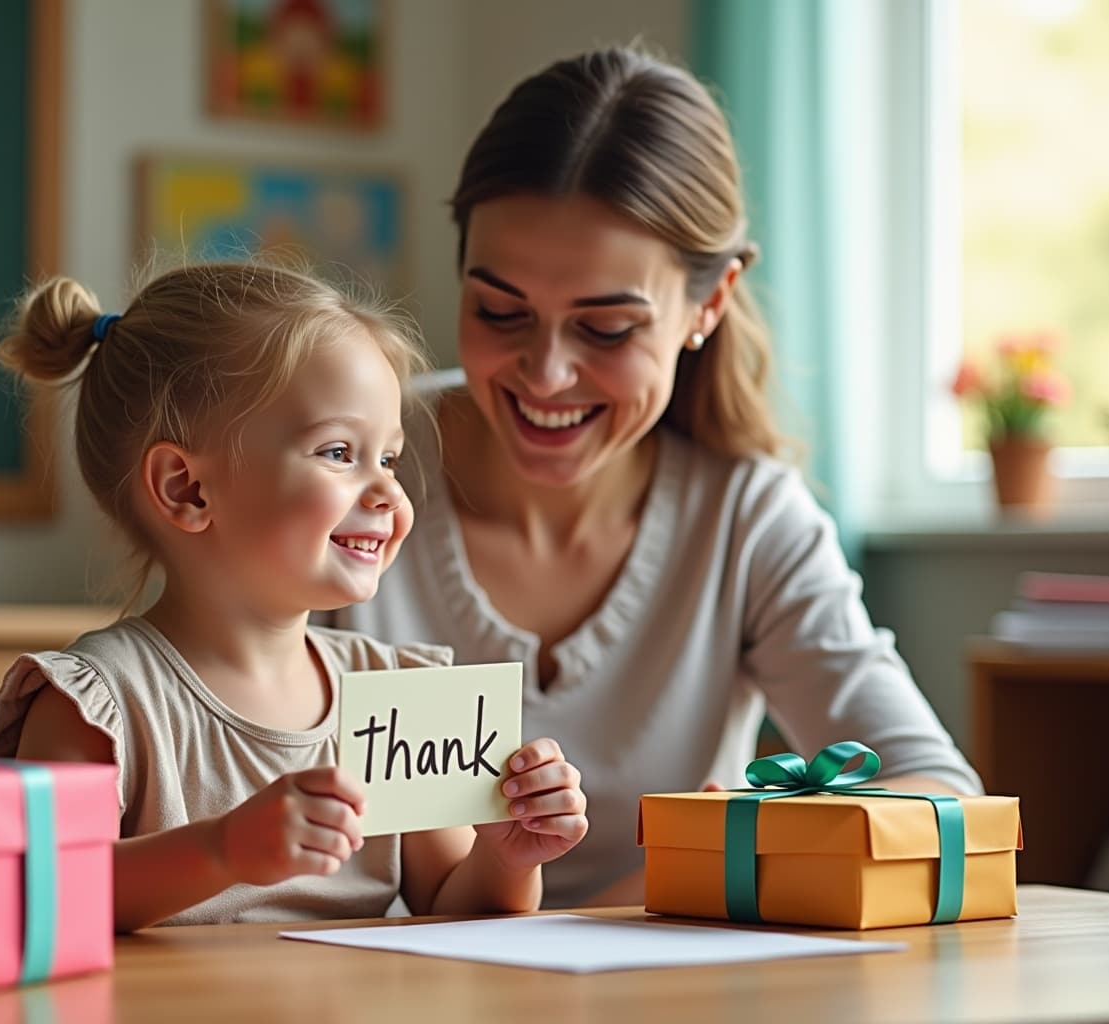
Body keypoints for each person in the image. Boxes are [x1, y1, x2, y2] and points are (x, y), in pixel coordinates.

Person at [329, 47, 982, 909]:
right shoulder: (339, 464)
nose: (545, 374)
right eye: (500, 310)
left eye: (605, 328)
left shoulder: (746, 516)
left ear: (708, 304)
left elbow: (938, 792)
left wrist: (705, 867)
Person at [0, 262, 588, 930]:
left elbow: (454, 907)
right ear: (187, 489)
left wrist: (507, 858)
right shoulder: (98, 705)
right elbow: (46, 894)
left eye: (387, 458)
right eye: (338, 452)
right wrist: (223, 850)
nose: (390, 492)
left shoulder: (403, 693)